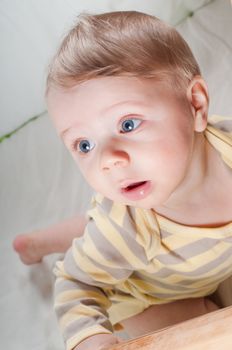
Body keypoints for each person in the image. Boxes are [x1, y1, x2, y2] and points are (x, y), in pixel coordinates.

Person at [13, 11, 232, 350]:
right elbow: (76, 282)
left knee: (99, 222)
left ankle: (38, 242)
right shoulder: (122, 229)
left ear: (195, 105)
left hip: (203, 261)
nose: (107, 160)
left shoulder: (227, 141)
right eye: (84, 145)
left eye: (128, 125)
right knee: (208, 325)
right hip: (145, 295)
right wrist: (93, 340)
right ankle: (38, 245)